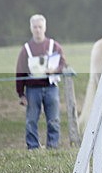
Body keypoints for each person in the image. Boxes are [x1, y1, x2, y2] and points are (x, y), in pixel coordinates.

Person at [15, 14, 66, 150]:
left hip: (51, 88)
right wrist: (21, 93)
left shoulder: (53, 46)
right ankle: (32, 147)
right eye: (35, 27)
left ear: (45, 28)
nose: (38, 30)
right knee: (31, 120)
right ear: (31, 28)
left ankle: (53, 146)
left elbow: (62, 64)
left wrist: (55, 70)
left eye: (40, 27)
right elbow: (20, 71)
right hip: (33, 90)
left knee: (53, 119)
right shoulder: (26, 49)